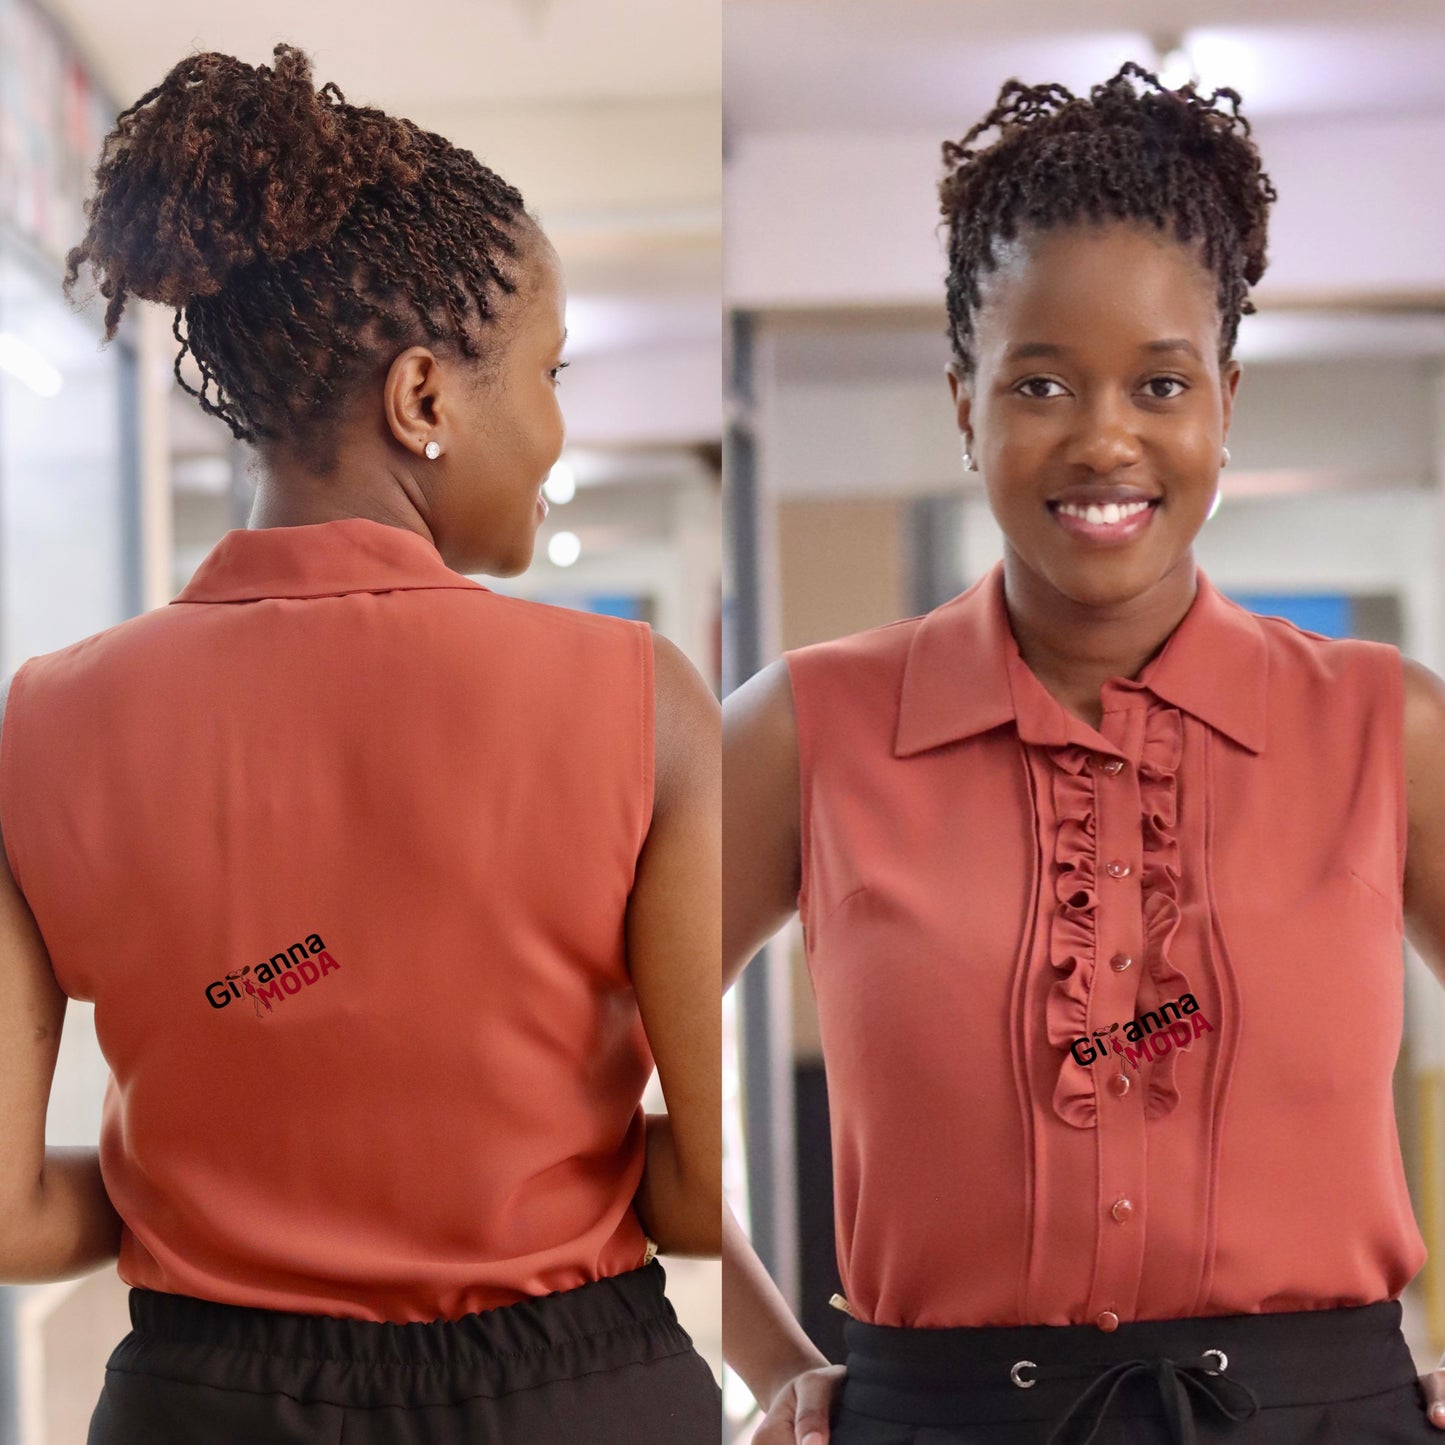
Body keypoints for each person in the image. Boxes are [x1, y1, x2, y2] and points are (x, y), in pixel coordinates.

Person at [0, 43, 720, 1444]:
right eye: (548, 374)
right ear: (424, 399)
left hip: (204, 1405)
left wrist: (196, 1197)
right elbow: (694, 1197)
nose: (556, 433)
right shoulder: (645, 703)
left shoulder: (42, 723)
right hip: (576, 1399)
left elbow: (11, 1215)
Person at [724, 60, 1445, 1444]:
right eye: (1041, 382)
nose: (1105, 439)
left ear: (1224, 401)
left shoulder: (1385, 727)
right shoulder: (806, 728)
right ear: (965, 404)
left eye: (1160, 383)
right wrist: (769, 1358)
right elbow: (594, 1053)